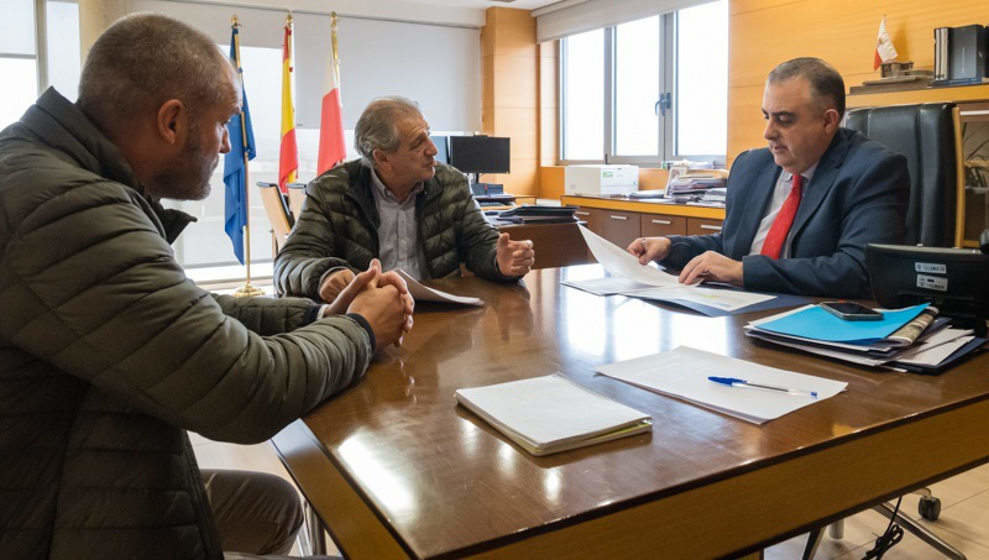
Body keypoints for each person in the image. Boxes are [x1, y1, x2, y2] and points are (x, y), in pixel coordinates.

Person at [0, 14, 412, 560]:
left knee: (274, 506)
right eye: (223, 125)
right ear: (171, 122)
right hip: (43, 517)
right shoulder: (66, 207)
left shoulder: (50, 172)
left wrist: (317, 318)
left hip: (71, 466)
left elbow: (175, 311)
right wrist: (359, 330)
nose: (226, 146)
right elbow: (246, 390)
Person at [628, 57, 909, 297]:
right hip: (740, 315)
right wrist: (671, 247)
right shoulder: (752, 166)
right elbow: (731, 246)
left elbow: (858, 270)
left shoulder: (872, 170)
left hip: (811, 325)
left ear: (828, 121)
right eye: (767, 116)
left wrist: (742, 271)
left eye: (784, 120)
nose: (768, 133)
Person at [274, 96, 535, 303]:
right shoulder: (331, 191)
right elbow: (290, 262)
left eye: (428, 135)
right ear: (383, 158)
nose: (433, 149)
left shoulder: (451, 183)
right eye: (418, 143)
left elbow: (480, 241)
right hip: (364, 320)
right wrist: (323, 274)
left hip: (438, 318)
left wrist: (499, 261)